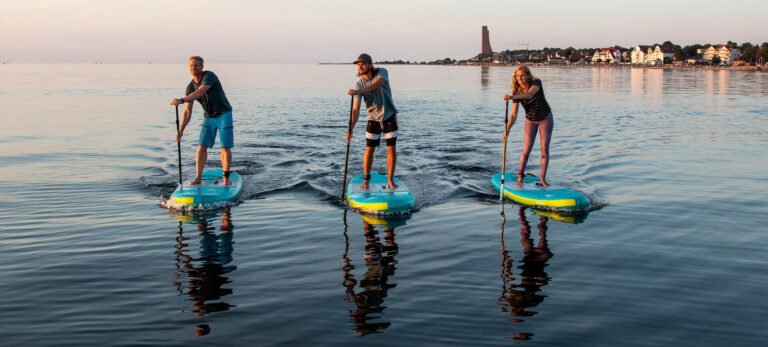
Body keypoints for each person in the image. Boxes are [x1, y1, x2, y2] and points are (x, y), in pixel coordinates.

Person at [170, 56, 234, 185]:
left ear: (202, 67)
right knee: (201, 148)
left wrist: (182, 100)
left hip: (224, 114)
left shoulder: (209, 76)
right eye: (191, 65)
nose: (193, 67)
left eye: (196, 65)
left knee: (224, 147)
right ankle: (198, 177)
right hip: (208, 117)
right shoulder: (190, 87)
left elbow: (201, 92)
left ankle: (226, 178)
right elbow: (188, 111)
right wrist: (180, 131)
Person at [346, 53, 400, 190]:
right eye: (358, 64)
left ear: (370, 65)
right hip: (373, 119)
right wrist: (350, 129)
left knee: (391, 149)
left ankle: (390, 180)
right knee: (369, 149)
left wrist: (358, 91)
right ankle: (366, 180)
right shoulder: (359, 84)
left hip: (389, 116)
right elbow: (355, 111)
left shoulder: (382, 72)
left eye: (362, 64)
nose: (360, 67)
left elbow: (376, 85)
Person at [502, 66, 553, 187]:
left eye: (522, 75)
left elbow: (529, 95)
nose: (519, 78)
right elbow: (513, 115)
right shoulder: (517, 91)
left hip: (545, 118)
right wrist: (506, 131)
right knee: (526, 149)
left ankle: (543, 180)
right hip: (530, 120)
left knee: (544, 150)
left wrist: (511, 97)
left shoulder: (536, 82)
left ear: (528, 75)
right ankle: (520, 176)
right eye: (517, 76)